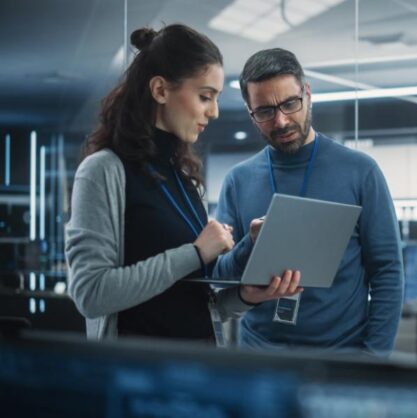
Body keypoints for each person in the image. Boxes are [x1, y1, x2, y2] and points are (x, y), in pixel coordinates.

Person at [65, 25, 301, 343]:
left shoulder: (184, 179)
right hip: (134, 378)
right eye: (205, 96)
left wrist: (246, 295)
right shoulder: (103, 171)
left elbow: (197, 304)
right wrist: (194, 253)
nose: (214, 112)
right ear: (161, 90)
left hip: (194, 371)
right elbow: (90, 294)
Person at [214, 48, 404, 356]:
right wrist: (251, 244)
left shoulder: (360, 171)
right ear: (250, 113)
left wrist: (374, 358)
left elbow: (387, 271)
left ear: (308, 94)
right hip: (260, 358)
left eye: (290, 103)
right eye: (264, 111)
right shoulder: (239, 180)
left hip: (341, 358)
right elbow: (221, 276)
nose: (281, 121)